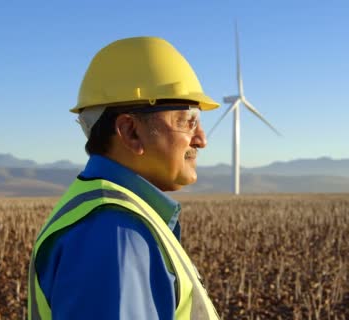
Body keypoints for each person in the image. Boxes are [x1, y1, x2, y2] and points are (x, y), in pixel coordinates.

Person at [27, 37, 220, 320]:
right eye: (187, 122)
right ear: (130, 132)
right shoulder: (114, 234)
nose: (201, 139)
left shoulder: (106, 216)